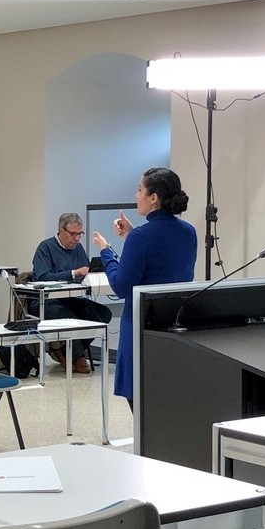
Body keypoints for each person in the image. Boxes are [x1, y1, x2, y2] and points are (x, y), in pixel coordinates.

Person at [92, 168, 197, 406]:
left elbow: (121, 286)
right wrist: (131, 235)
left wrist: (106, 252)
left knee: (140, 404)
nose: (136, 195)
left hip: (141, 325)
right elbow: (163, 264)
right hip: (172, 325)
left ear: (154, 197)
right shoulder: (188, 232)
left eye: (140, 190)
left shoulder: (140, 237)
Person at [31, 212, 113, 374]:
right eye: (73, 234)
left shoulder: (78, 248)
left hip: (71, 298)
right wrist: (73, 273)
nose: (76, 238)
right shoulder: (45, 247)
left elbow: (85, 271)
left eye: (79, 234)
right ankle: (77, 356)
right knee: (68, 317)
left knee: (103, 314)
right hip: (46, 301)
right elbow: (41, 276)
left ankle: (65, 351)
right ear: (61, 230)